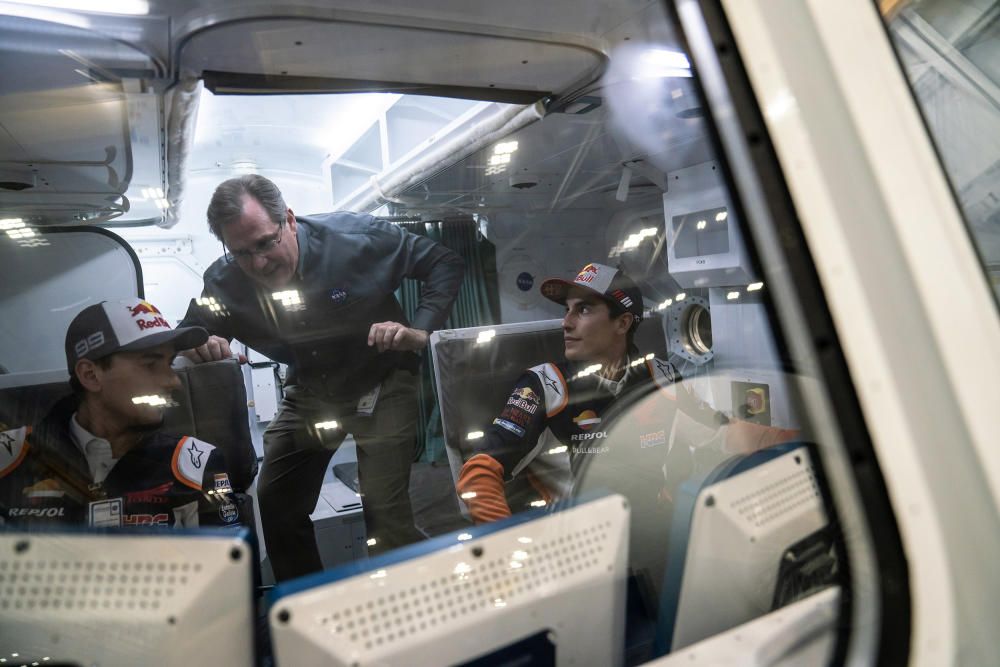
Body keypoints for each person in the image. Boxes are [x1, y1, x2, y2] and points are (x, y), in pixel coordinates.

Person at [178, 174, 465, 581]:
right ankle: (304, 601)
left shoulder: (357, 239)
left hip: (383, 380)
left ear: (289, 221)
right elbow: (192, 329)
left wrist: (421, 331)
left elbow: (444, 262)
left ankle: (410, 599)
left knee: (383, 507)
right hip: (312, 388)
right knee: (275, 500)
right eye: (241, 253)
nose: (258, 263)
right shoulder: (224, 280)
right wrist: (202, 342)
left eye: (265, 243)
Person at [456, 262, 797, 522]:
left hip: (654, 530)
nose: (566, 322)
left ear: (622, 323)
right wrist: (504, 561)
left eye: (584, 309)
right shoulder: (545, 385)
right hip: (582, 545)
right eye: (567, 310)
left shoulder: (661, 376)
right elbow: (479, 473)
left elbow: (723, 432)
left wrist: (805, 442)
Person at [0, 298, 241, 529]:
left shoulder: (197, 464)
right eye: (150, 365)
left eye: (169, 364)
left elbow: (227, 567)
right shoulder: (9, 456)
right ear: (90, 375)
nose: (173, 382)